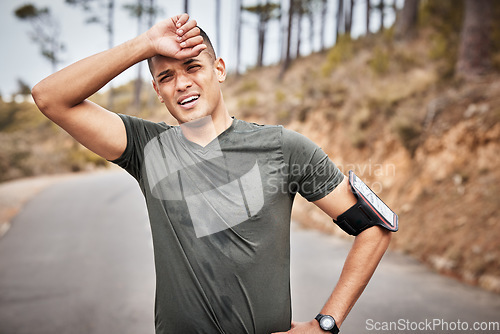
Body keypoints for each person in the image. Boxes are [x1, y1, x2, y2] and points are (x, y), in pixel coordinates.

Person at [32, 14, 392, 334]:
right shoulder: (148, 148)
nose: (182, 83)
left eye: (193, 67)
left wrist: (325, 324)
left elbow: (374, 228)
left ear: (218, 69)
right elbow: (50, 97)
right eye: (167, 76)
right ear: (157, 91)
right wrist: (144, 44)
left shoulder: (283, 147)